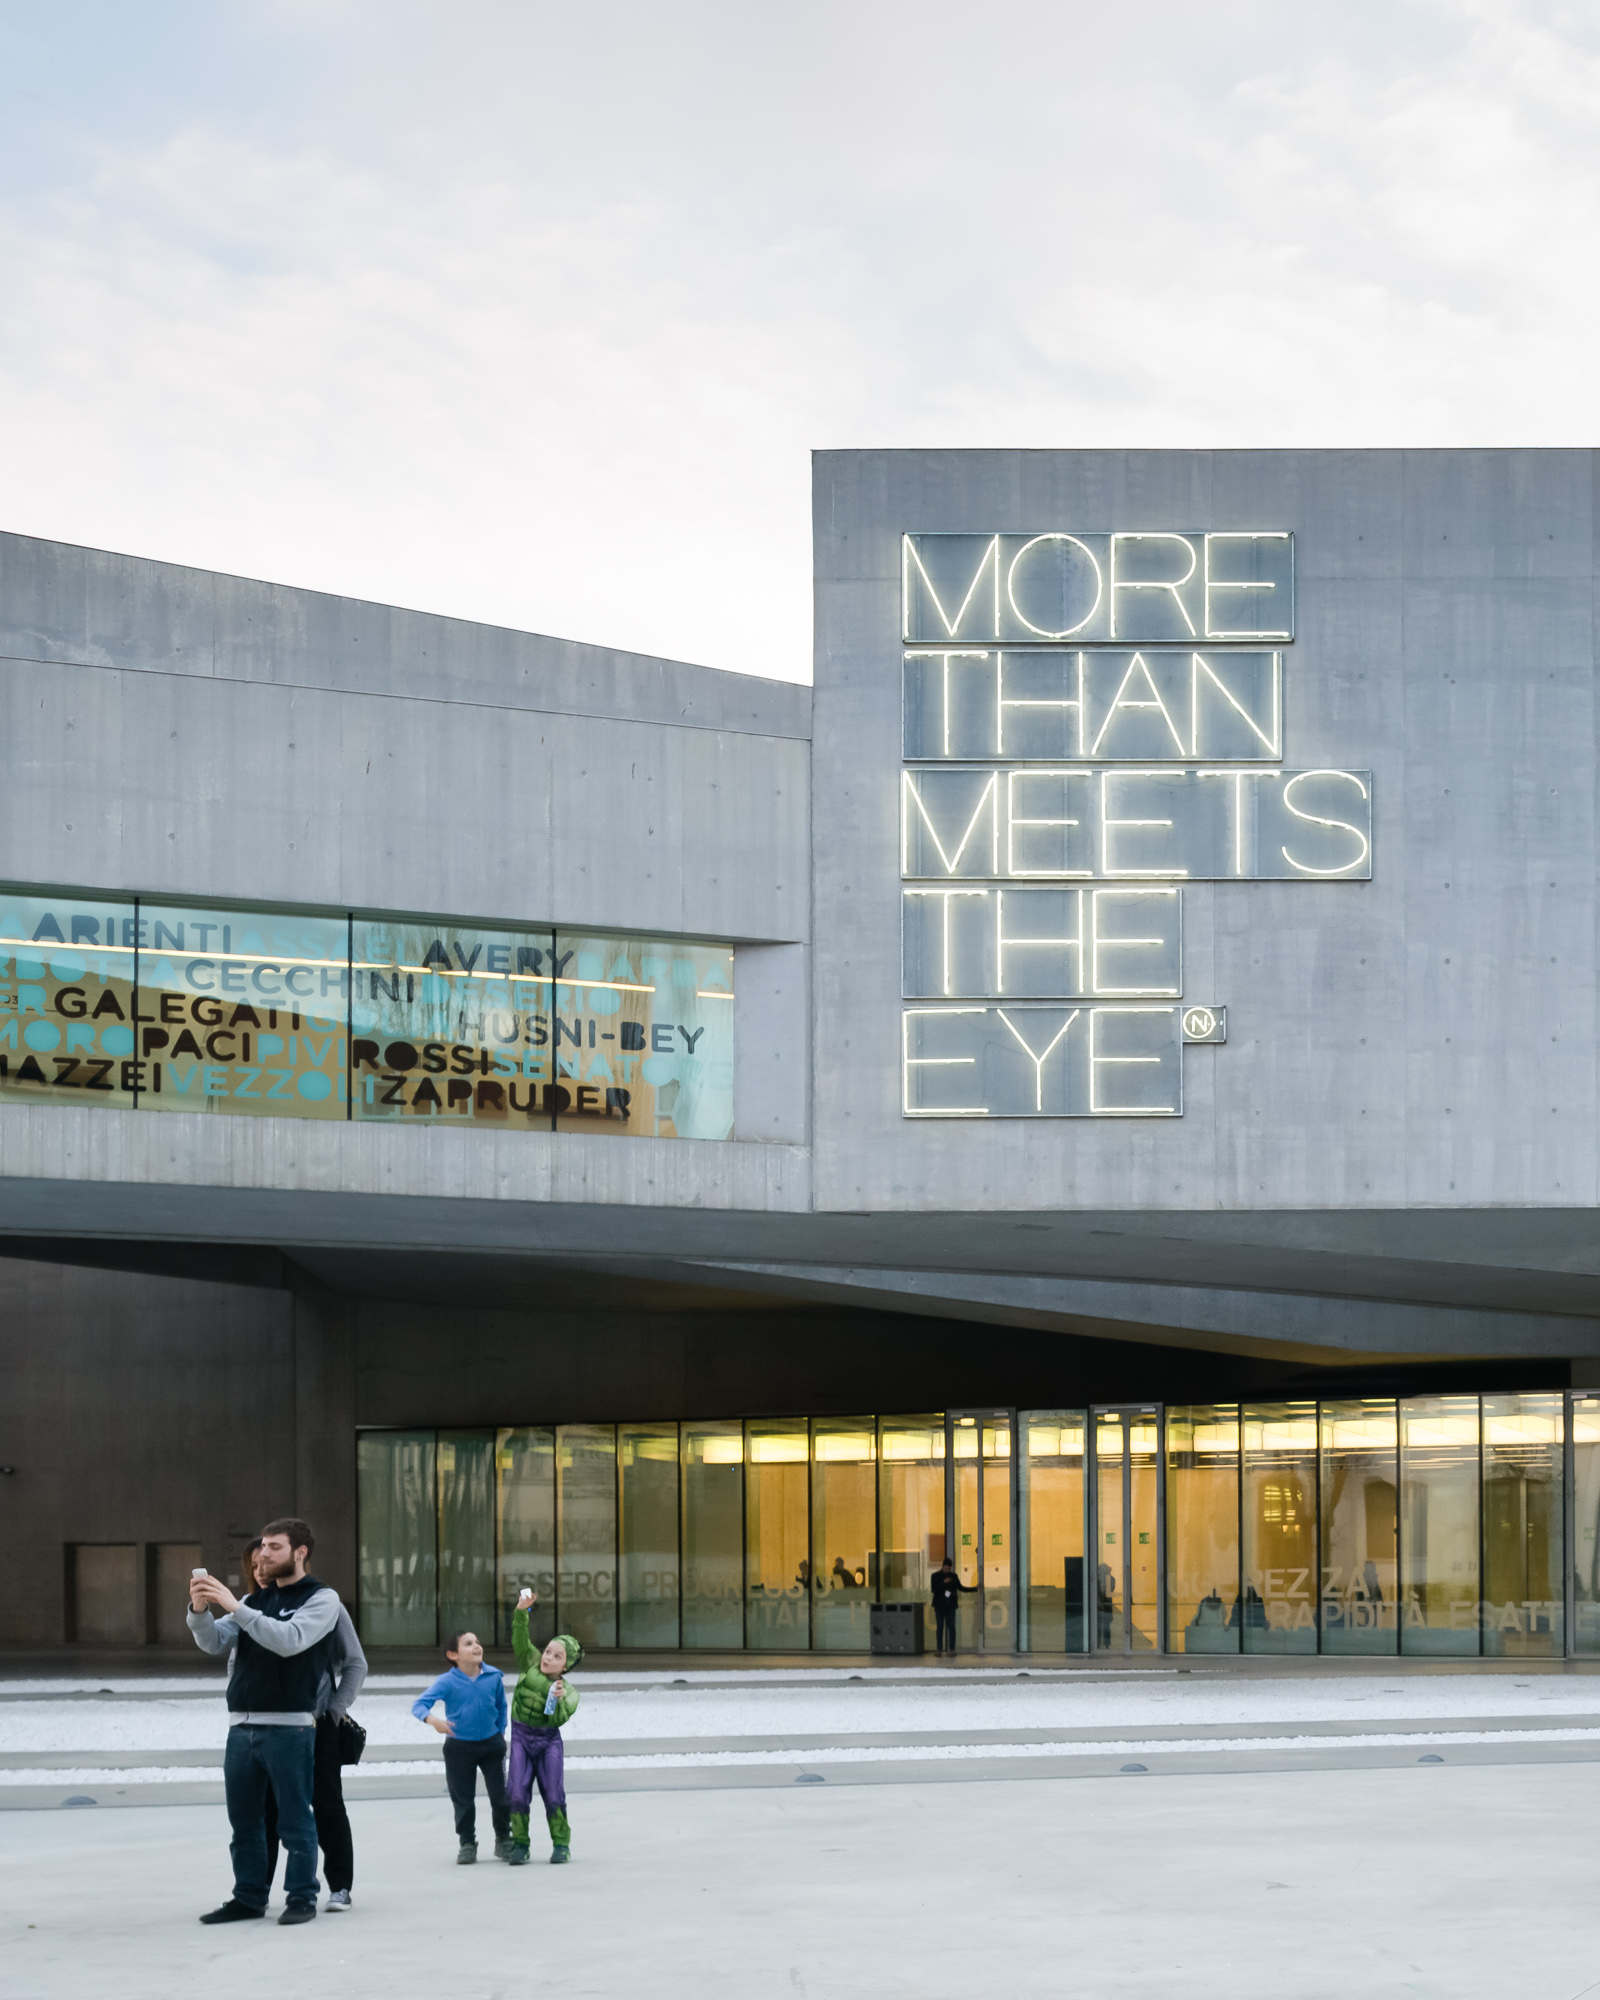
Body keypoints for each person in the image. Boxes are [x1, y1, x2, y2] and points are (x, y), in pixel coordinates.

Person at [188, 1516, 343, 1926]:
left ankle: (302, 1897)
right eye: (263, 1547)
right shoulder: (257, 1600)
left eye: (274, 1546)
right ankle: (249, 1897)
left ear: (300, 1552)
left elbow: (289, 1641)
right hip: (241, 1725)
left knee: (294, 1819)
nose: (263, 1554)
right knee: (244, 1823)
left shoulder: (322, 1599)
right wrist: (200, 1610)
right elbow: (213, 1642)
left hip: (290, 1725)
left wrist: (236, 1606)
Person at [254, 1541, 367, 1911]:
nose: (261, 1568)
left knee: (327, 1804)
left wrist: (333, 1711)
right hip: (270, 1726)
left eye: (267, 1559)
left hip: (317, 1725)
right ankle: (259, 1889)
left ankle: (340, 1887)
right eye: (255, 1564)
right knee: (268, 1809)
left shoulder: (322, 1603)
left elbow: (355, 1663)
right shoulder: (252, 1608)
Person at [412, 1628, 512, 1865]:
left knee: (500, 1797)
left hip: (492, 1745)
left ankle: (503, 1839)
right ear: (453, 1654)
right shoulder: (446, 1681)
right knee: (463, 1799)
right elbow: (419, 1705)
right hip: (459, 1748)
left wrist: (500, 1732)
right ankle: (467, 1842)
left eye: (477, 1641)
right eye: (468, 1644)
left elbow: (502, 1706)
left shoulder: (494, 1677)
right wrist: (433, 1721)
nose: (477, 1646)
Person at [507, 1586, 581, 1865]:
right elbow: (519, 1637)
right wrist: (522, 1610)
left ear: (566, 1666)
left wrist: (559, 1701)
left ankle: (561, 1843)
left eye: (557, 1657)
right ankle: (520, 1843)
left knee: (553, 1792)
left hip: (548, 1741)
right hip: (520, 1738)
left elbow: (561, 1717)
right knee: (516, 1790)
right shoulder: (530, 1661)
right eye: (549, 1651)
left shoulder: (570, 1692)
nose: (548, 1657)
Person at [929, 1555, 976, 1654]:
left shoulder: (953, 1576)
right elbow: (934, 1589)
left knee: (951, 1627)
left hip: (950, 1605)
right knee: (940, 1627)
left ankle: (952, 1649)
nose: (947, 1570)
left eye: (949, 1569)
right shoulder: (935, 1576)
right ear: (942, 1567)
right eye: (946, 1568)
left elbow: (961, 1588)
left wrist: (975, 1589)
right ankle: (939, 1649)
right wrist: (944, 1583)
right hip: (939, 1605)